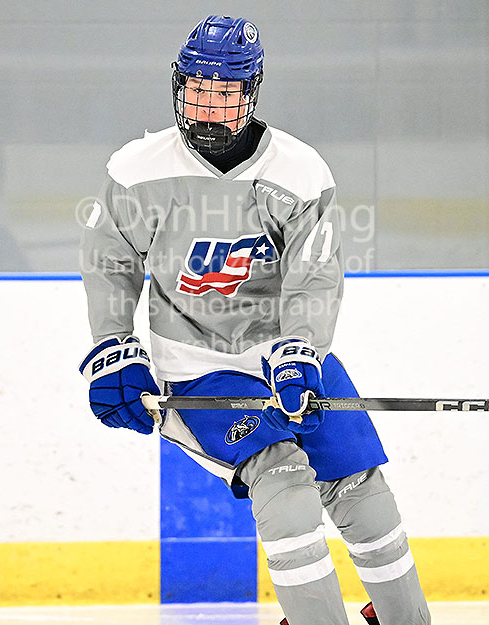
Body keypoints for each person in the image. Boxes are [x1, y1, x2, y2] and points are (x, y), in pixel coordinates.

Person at [79, 15, 431, 625]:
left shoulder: (298, 171)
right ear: (178, 86)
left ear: (252, 91)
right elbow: (111, 263)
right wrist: (114, 349)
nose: (208, 108)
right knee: (284, 485)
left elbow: (314, 275)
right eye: (197, 90)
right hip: (195, 367)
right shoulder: (137, 170)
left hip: (282, 355)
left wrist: (299, 350)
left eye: (224, 93)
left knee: (362, 489)